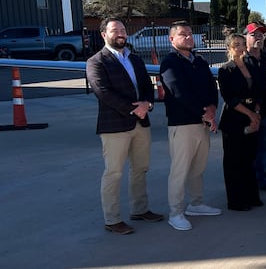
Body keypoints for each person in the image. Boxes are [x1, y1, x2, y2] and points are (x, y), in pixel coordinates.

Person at [86, 17, 162, 235]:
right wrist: (134, 109)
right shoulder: (96, 61)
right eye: (114, 30)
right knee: (114, 173)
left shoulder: (135, 59)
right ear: (103, 35)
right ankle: (112, 219)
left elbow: (147, 86)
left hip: (141, 122)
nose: (120, 33)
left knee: (140, 169)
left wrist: (147, 103)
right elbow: (103, 92)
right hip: (115, 125)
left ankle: (140, 209)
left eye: (123, 29)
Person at [160, 21, 221, 231]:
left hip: (202, 123)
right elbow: (178, 91)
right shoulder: (169, 63)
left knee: (198, 168)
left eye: (190, 34)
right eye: (182, 34)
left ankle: (196, 203)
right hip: (183, 124)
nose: (188, 37)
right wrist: (205, 113)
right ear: (172, 39)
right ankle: (175, 212)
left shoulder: (199, 61)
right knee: (180, 170)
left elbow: (212, 87)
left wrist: (213, 108)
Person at [217, 33, 266, 211]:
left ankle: (251, 196)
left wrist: (257, 113)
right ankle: (237, 200)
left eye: (241, 44)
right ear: (229, 48)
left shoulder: (251, 67)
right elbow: (229, 97)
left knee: (249, 159)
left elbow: (260, 92)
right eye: (235, 44)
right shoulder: (225, 70)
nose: (239, 47)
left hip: (253, 116)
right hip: (234, 120)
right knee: (234, 161)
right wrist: (250, 115)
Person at [242, 22, 266, 191]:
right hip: (248, 113)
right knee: (248, 148)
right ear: (245, 38)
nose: (258, 37)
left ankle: (261, 178)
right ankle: (248, 180)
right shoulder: (241, 60)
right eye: (253, 34)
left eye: (261, 34)